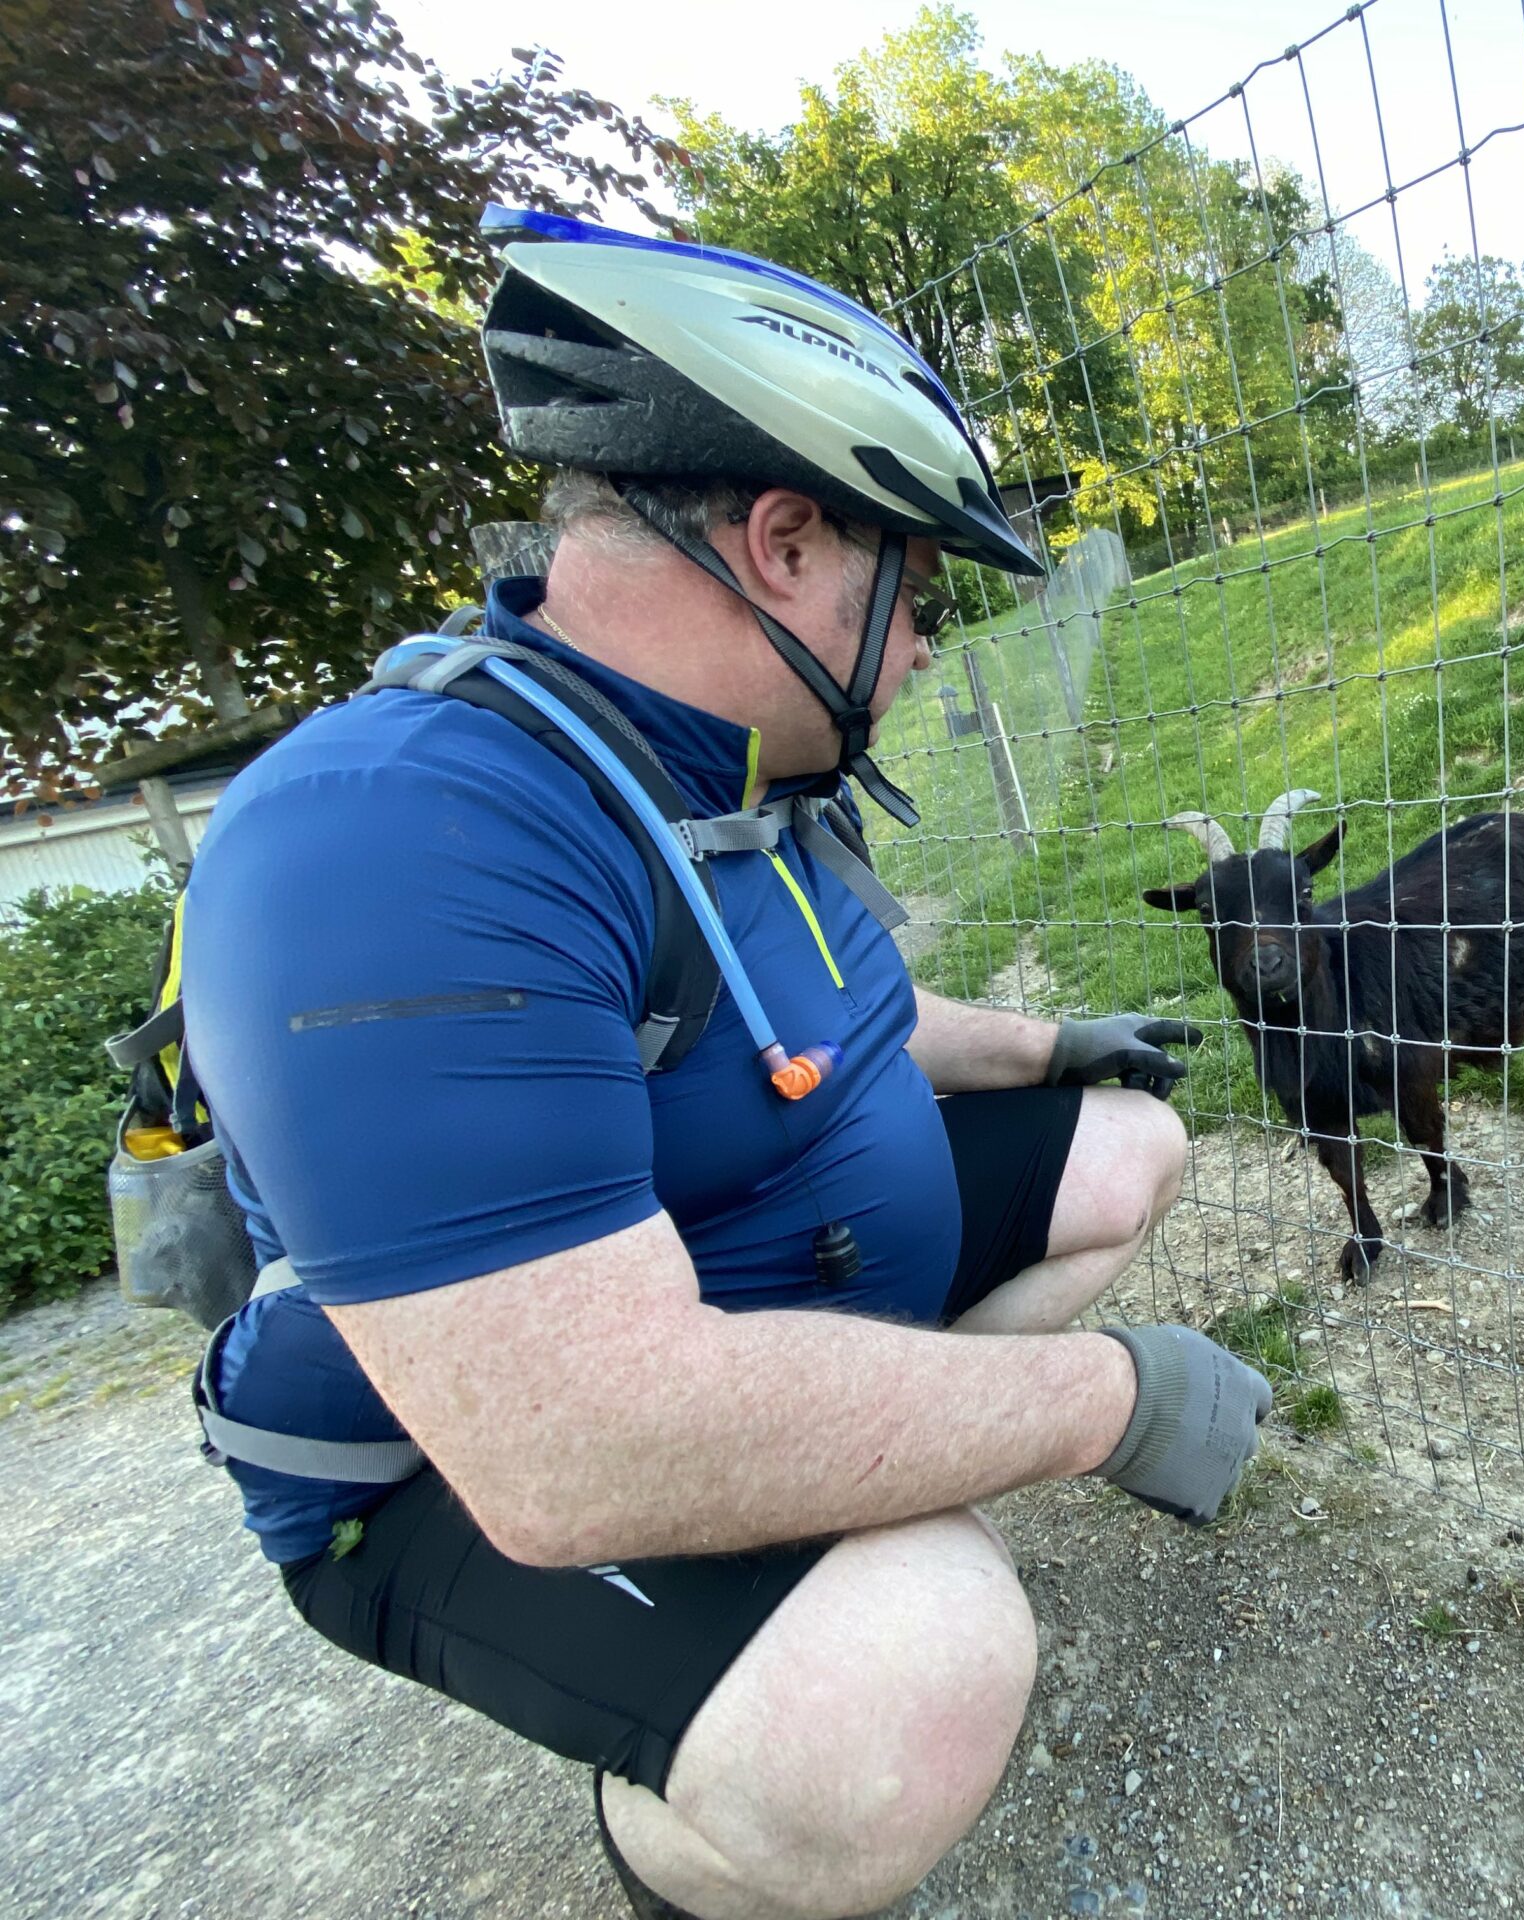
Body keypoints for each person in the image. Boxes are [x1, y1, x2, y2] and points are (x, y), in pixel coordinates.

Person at [178, 209, 1273, 1920]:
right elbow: (574, 1445)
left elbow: (824, 1018)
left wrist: (1057, 1047)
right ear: (785, 540)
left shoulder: (732, 775)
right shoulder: (400, 835)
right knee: (905, 1690)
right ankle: (704, 1812)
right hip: (453, 1465)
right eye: (918, 592)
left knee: (1124, 1149)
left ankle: (836, 1489)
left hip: (738, 1268)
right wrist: (1105, 1401)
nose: (927, 648)